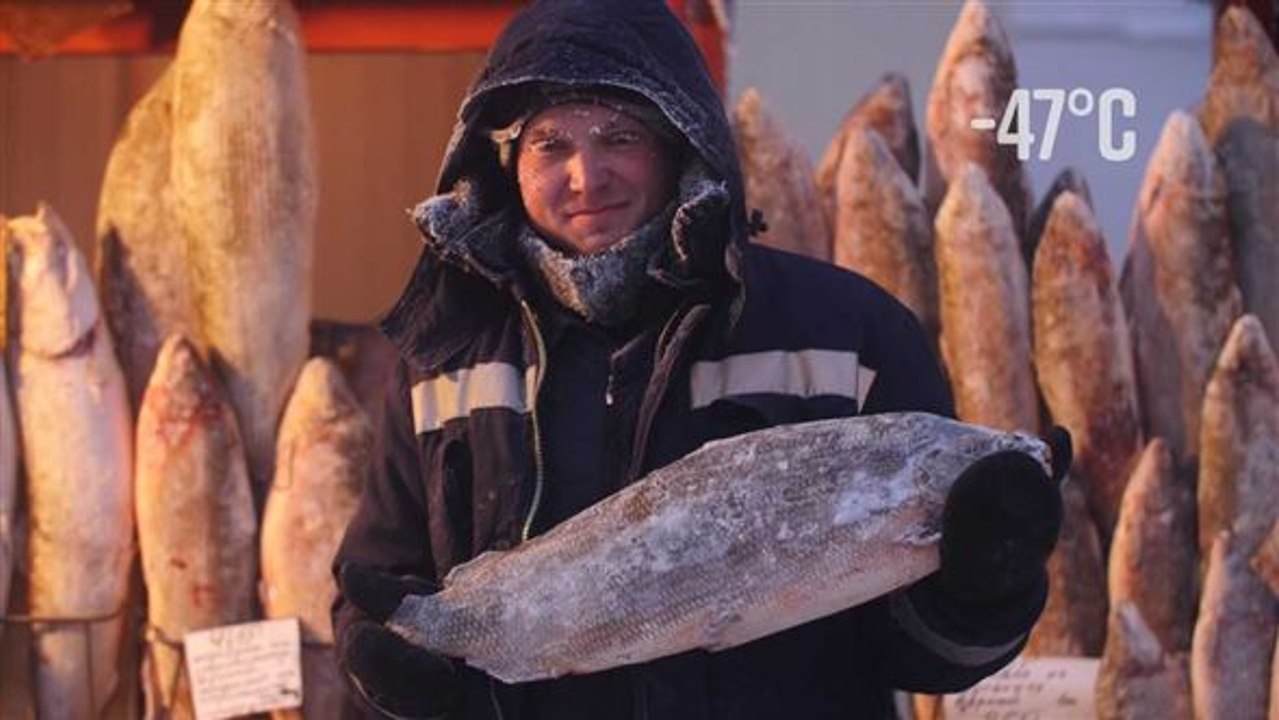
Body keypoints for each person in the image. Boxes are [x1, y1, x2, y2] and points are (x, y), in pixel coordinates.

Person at [332, 1, 1066, 718]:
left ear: (680, 144)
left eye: (620, 137)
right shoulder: (443, 358)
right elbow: (383, 584)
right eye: (551, 144)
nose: (587, 176)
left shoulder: (849, 332)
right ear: (504, 165)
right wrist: (394, 682)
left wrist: (982, 592)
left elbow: (921, 658)